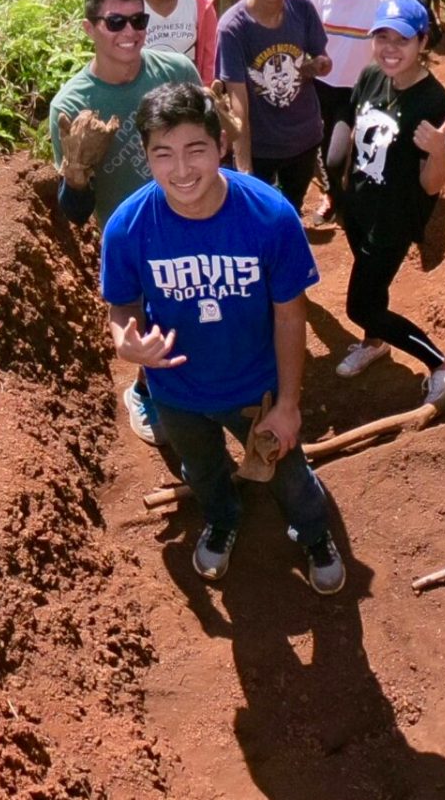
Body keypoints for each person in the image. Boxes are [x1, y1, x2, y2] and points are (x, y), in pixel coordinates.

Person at [101, 83, 346, 594]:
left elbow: (288, 315)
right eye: (162, 154)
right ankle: (223, 518)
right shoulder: (128, 227)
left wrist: (288, 404)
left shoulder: (269, 215)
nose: (182, 169)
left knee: (288, 474)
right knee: (204, 470)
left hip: (255, 387)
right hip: (176, 392)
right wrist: (126, 340)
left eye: (196, 150)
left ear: (221, 146)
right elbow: (121, 303)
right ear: (146, 157)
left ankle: (315, 532)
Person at [48, 0, 200, 447]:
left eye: (138, 21)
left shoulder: (175, 70)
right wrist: (76, 175)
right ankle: (144, 390)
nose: (131, 33)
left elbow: (210, 142)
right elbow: (74, 214)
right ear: (90, 28)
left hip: (196, 217)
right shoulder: (73, 105)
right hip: (135, 240)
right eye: (116, 23)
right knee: (156, 326)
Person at [328, 0, 445, 404]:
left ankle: (442, 363)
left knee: (360, 306)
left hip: (394, 219)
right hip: (360, 206)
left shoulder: (435, 103)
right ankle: (375, 343)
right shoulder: (372, 76)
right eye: (382, 37)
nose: (390, 49)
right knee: (370, 291)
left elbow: (432, 186)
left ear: (423, 42)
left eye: (402, 40)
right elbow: (356, 134)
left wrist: (439, 150)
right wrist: (343, 197)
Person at [215, 0, 331, 211]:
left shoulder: (301, 6)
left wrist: (318, 65)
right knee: (256, 216)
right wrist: (244, 169)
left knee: (292, 208)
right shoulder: (233, 27)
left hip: (304, 137)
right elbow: (237, 100)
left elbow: (319, 56)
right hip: (260, 145)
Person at [308, 0, 396, 220]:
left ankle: (342, 197)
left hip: (356, 88)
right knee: (320, 146)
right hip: (320, 85)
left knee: (335, 158)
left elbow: (395, 40)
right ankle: (333, 194)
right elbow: (310, 33)